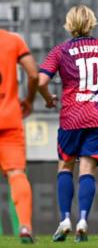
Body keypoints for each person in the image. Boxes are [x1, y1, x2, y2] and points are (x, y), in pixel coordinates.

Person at [38, 5, 98, 242]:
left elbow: (41, 80)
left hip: (72, 116)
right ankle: (82, 219)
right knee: (88, 170)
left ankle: (64, 220)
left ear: (69, 25)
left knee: (65, 167)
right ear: (92, 23)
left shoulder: (60, 51)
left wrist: (49, 97)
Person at [0, 29, 38, 243]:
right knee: (16, 174)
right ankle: (25, 226)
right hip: (9, 118)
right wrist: (30, 100)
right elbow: (33, 74)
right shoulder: (13, 40)